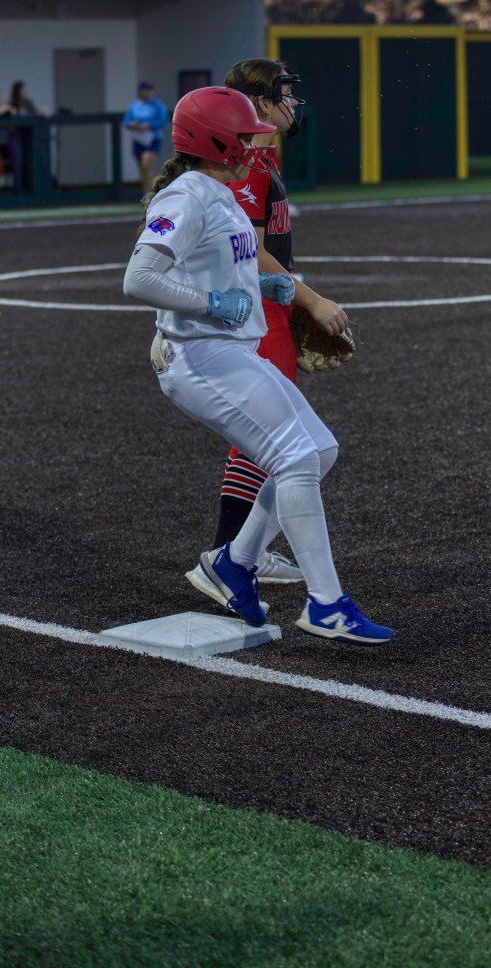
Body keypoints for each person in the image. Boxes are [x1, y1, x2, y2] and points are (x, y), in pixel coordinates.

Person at [123, 86, 394, 644]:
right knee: (295, 457)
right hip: (198, 355)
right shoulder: (187, 197)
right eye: (245, 137)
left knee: (319, 450)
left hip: (227, 352)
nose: (256, 146)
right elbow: (139, 278)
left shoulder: (219, 193)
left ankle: (234, 563)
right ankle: (326, 605)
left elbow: (221, 261)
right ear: (216, 141)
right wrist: (210, 303)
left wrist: (261, 285)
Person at [185, 59, 348, 602]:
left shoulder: (260, 156)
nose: (293, 102)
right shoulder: (246, 163)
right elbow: (249, 251)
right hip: (254, 311)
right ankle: (230, 557)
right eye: (284, 93)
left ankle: (239, 555)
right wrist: (310, 299)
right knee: (275, 441)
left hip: (264, 306)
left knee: (275, 440)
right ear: (257, 102)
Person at [123, 80, 169, 195]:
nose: (147, 93)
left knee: (146, 163)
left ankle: (155, 191)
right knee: (143, 169)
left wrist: (150, 125)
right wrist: (132, 124)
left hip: (153, 139)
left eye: (149, 90)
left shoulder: (157, 105)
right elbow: (126, 121)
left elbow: (163, 120)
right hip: (139, 139)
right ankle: (147, 192)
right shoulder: (134, 106)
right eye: (144, 90)